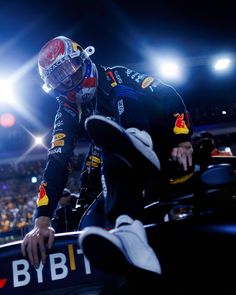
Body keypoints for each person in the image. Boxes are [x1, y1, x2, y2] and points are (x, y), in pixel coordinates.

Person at [21, 36, 193, 275]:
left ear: (83, 58)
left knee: (121, 94)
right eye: (59, 78)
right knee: (103, 157)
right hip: (122, 163)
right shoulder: (68, 110)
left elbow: (166, 93)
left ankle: (136, 137)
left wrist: (182, 139)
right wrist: (41, 221)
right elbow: (57, 159)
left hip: (163, 146)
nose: (69, 80)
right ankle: (129, 235)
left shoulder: (116, 75)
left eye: (69, 69)